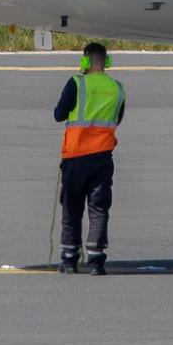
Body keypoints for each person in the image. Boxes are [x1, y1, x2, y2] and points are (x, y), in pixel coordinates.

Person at [53, 42, 124, 275]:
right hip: (103, 157)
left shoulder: (77, 83)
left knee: (72, 208)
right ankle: (96, 260)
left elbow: (59, 114)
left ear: (85, 61)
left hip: (76, 156)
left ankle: (69, 259)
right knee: (99, 207)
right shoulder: (117, 88)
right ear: (107, 62)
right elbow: (117, 118)